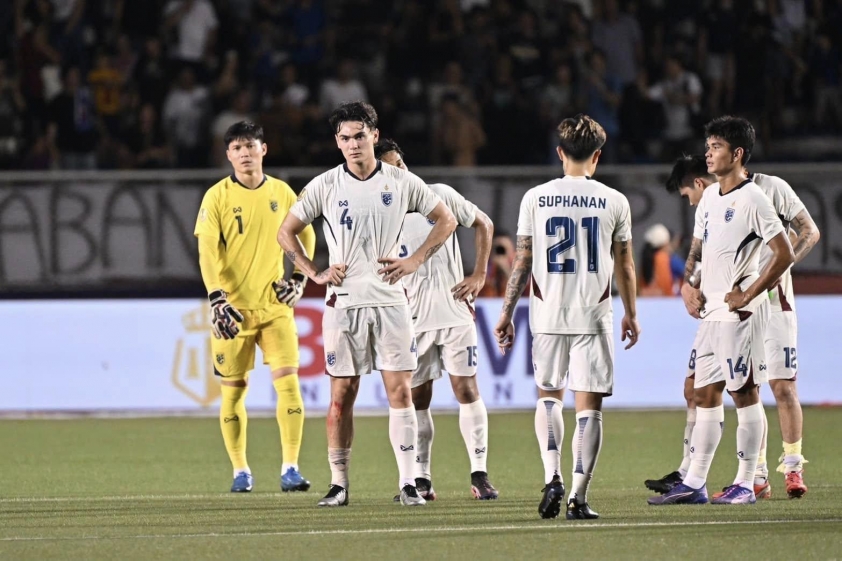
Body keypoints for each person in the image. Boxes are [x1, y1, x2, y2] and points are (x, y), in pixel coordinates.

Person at [277, 101, 457, 507]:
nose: (353, 144)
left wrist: (414, 261)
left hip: (392, 301)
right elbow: (286, 231)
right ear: (336, 143)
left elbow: (445, 220)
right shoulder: (325, 185)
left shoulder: (401, 181)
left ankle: (409, 482)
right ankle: (339, 485)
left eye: (360, 135)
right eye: (345, 138)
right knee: (342, 393)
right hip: (344, 304)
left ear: (375, 135)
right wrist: (313, 271)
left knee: (401, 392)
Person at [646, 153, 820, 499]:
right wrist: (689, 284)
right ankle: (703, 476)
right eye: (708, 146)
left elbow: (807, 233)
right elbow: (702, 249)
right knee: (701, 388)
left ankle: (779, 471)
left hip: (766, 304)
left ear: (736, 152)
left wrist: (766, 279)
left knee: (768, 387)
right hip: (719, 307)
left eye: (716, 145)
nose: (709, 153)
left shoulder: (768, 190)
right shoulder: (713, 198)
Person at [493, 114, 641, 520]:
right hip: (594, 316)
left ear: (560, 153)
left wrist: (506, 314)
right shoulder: (615, 200)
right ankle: (578, 497)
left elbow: (521, 261)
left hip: (548, 315)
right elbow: (625, 264)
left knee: (548, 396)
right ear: (597, 155)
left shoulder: (535, 198)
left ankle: (552, 475)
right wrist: (631, 312)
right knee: (588, 407)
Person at [193, 121, 316, 493]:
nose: (244, 153)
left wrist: (299, 278)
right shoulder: (216, 197)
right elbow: (207, 250)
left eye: (251, 145)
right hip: (233, 313)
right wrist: (216, 296)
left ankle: (291, 468)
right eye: (237, 148)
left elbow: (306, 232)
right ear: (228, 155)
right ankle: (240, 471)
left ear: (264, 149)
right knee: (233, 392)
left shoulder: (282, 192)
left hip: (275, 307)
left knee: (289, 386)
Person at [374, 138, 498, 501]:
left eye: (401, 163)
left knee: (466, 389)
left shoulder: (439, 194)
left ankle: (479, 474)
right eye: (391, 168)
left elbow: (484, 223)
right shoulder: (383, 217)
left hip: (454, 313)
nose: (400, 171)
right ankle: (422, 479)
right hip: (410, 320)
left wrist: (479, 275)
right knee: (418, 399)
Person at [638, 223, 677, 296]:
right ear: (665, 243)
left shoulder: (645, 257)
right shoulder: (661, 258)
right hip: (664, 302)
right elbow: (665, 287)